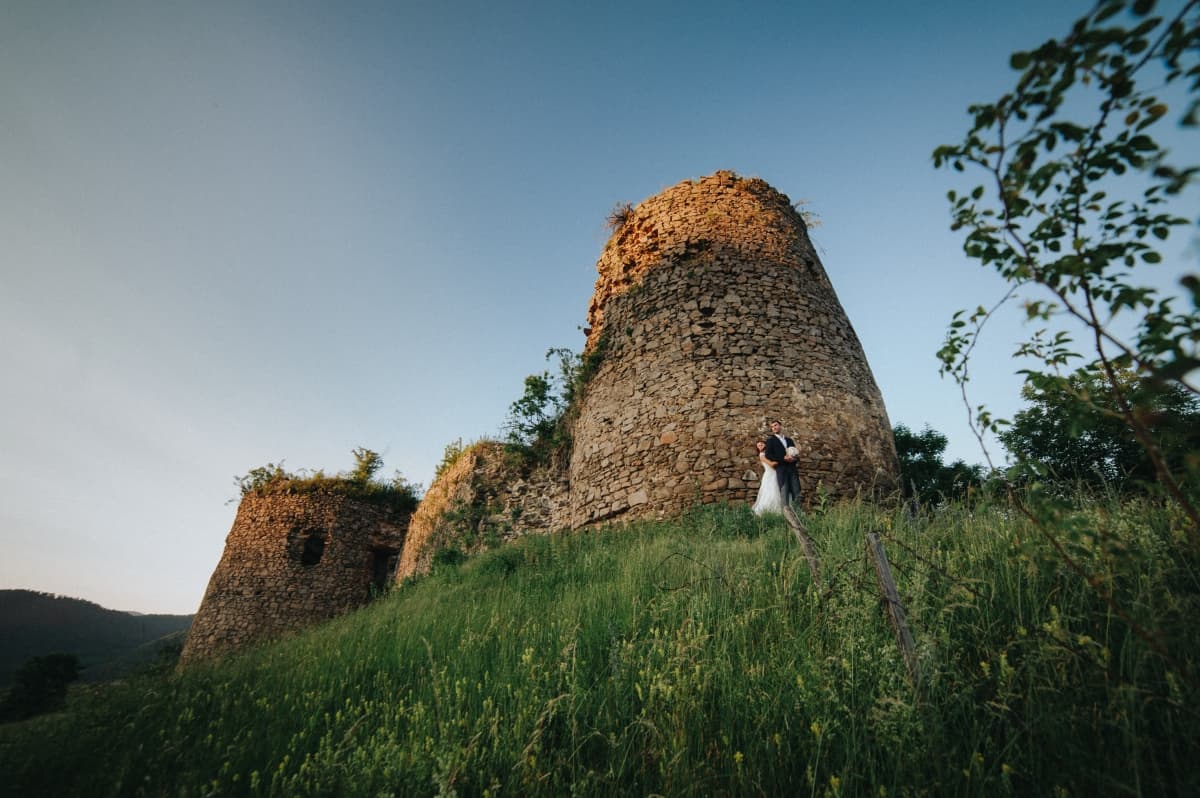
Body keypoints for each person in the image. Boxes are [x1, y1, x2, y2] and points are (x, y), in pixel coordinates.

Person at [763, 419, 802, 507]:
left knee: (797, 491)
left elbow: (795, 453)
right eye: (772, 427)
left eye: (775, 425)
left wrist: (794, 459)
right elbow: (768, 454)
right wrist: (782, 458)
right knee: (784, 491)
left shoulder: (789, 440)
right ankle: (786, 515)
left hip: (792, 468)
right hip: (781, 469)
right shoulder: (771, 441)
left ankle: (798, 514)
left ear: (780, 426)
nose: (774, 428)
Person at [751, 438, 784, 515]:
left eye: (761, 444)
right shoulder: (762, 455)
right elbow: (771, 464)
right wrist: (782, 459)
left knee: (778, 491)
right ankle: (770, 511)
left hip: (774, 473)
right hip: (770, 474)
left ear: (765, 444)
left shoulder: (770, 453)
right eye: (758, 446)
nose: (760, 446)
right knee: (771, 492)